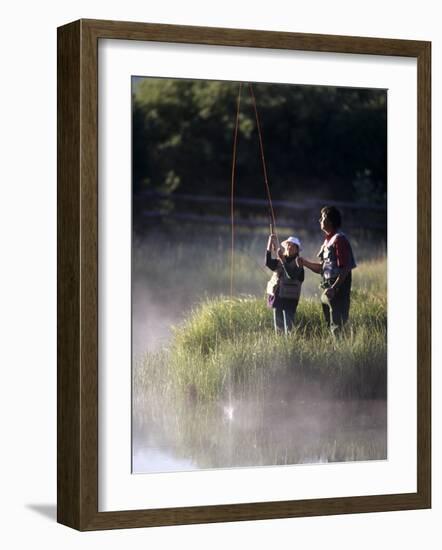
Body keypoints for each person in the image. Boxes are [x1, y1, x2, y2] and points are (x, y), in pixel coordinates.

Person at [298, 206, 356, 336]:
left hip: (337, 288)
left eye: (322, 217)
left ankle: (341, 353)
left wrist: (334, 288)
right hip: (328, 288)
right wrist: (305, 263)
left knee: (337, 326)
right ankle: (334, 351)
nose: (320, 220)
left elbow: (345, 268)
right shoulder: (327, 241)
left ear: (330, 220)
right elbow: (322, 268)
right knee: (329, 324)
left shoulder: (339, 240)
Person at [265, 234, 304, 334]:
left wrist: (282, 260)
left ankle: (290, 347)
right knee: (278, 328)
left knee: (289, 329)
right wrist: (270, 243)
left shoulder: (299, 263)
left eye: (293, 245)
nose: (289, 247)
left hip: (290, 300)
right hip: (277, 297)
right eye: (288, 244)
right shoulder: (280, 260)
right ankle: (280, 347)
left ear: (297, 250)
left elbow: (291, 275)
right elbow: (268, 262)